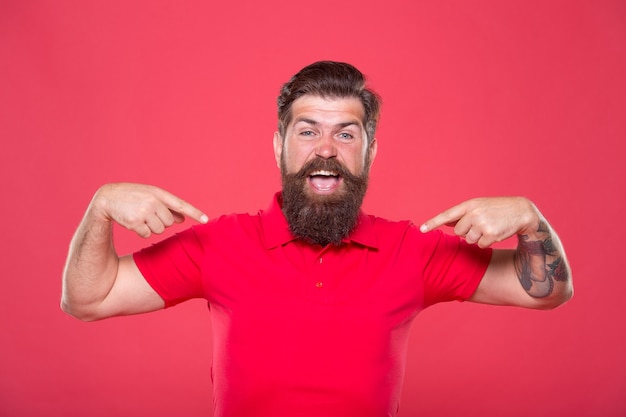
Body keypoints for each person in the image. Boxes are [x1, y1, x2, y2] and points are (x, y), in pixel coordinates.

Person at [62, 61, 573, 417]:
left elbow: (545, 291)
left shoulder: (411, 251)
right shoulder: (221, 243)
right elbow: (89, 298)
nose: (325, 149)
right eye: (307, 131)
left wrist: (532, 221)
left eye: (346, 134)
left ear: (369, 153)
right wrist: (101, 206)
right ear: (279, 145)